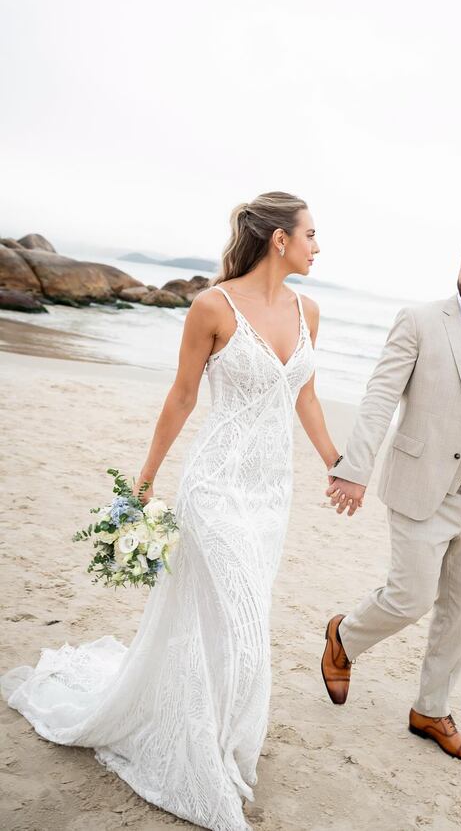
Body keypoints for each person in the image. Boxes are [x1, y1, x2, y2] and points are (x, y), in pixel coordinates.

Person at [1, 192, 341, 831]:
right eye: (312, 234)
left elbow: (309, 400)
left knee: (227, 618)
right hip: (213, 487)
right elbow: (183, 396)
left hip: (271, 492)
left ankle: (211, 732)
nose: (318, 246)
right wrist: (146, 478)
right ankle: (203, 762)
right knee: (244, 627)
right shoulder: (212, 306)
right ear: (279, 240)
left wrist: (337, 464)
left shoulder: (309, 311)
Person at [321, 237, 461, 763]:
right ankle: (344, 636)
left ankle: (430, 710)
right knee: (410, 599)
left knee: (460, 610)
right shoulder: (419, 320)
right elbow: (380, 395)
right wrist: (354, 468)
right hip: (421, 488)